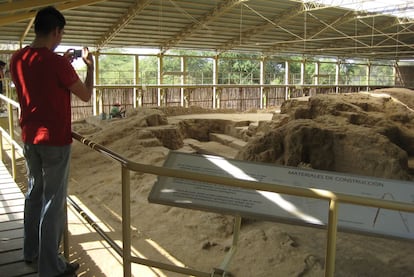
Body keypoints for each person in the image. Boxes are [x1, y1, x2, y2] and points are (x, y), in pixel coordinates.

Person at [10, 6, 94, 277]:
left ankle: (30, 251)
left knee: (34, 194)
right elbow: (85, 95)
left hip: (29, 138)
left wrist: (63, 62)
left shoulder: (18, 58)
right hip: (55, 140)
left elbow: (41, 80)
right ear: (56, 31)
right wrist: (91, 68)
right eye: (61, 34)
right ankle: (51, 267)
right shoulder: (57, 63)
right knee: (53, 203)